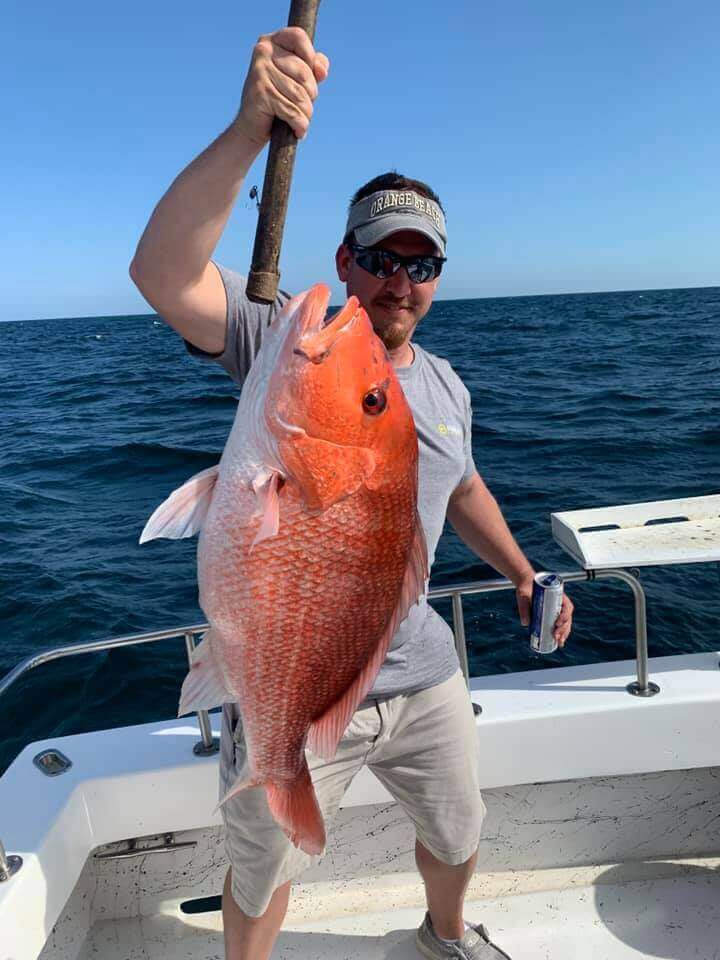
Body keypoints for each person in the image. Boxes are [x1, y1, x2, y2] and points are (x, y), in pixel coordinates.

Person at [130, 26, 575, 960]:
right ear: (343, 259)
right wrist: (255, 125)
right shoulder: (278, 346)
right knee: (262, 870)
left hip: (423, 670)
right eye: (380, 258)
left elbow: (462, 491)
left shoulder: (448, 388)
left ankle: (444, 938)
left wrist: (526, 572)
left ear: (440, 276)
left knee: (459, 833)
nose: (398, 282)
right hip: (292, 673)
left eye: (422, 264)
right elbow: (162, 271)